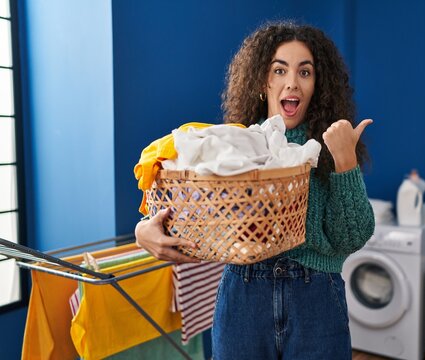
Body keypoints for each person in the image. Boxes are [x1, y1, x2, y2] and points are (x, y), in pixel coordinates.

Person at [135, 20, 375, 359]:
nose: (292, 82)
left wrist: (345, 162)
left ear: (317, 84)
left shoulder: (330, 146)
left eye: (305, 72)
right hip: (243, 299)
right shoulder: (235, 146)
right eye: (280, 70)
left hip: (316, 301)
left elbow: (352, 236)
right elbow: (187, 206)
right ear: (263, 80)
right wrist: (143, 229)